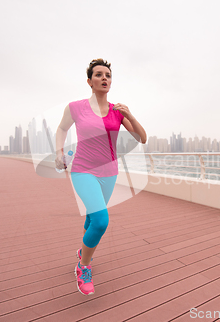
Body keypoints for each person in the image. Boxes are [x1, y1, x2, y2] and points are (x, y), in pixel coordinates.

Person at [55, 58, 147, 295]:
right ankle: (83, 266)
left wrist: (131, 115)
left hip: (109, 173)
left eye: (107, 75)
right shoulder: (75, 107)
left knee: (91, 219)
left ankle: (83, 250)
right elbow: (62, 128)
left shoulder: (117, 111)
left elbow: (142, 138)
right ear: (89, 81)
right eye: (98, 75)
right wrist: (58, 152)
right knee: (101, 221)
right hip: (83, 170)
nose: (104, 78)